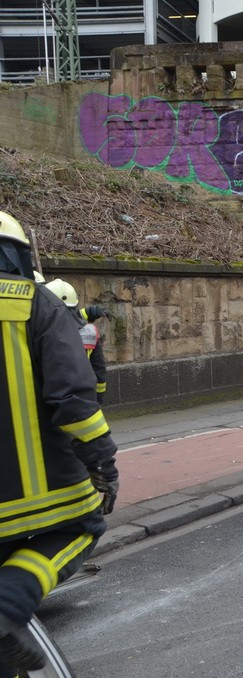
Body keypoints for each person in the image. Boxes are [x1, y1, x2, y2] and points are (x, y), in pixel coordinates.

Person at [0, 212, 118, 675]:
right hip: (37, 489)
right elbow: (72, 397)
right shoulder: (36, 303)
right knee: (82, 527)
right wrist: (103, 461)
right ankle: (8, 607)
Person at [44, 278, 107, 404]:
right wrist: (98, 399)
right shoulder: (90, 332)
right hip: (83, 396)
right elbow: (99, 370)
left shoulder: (40, 330)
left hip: (50, 396)